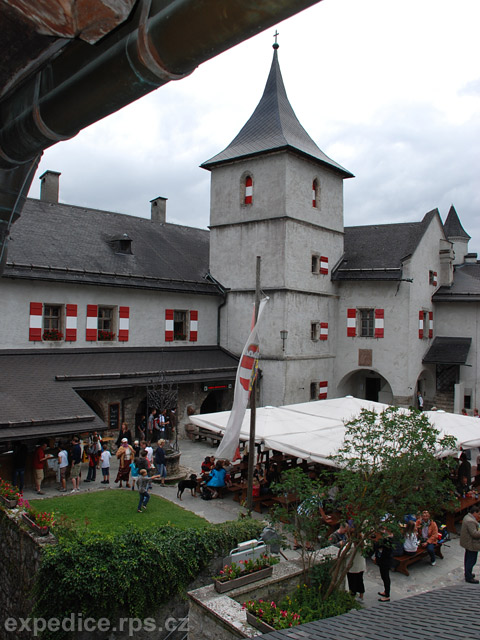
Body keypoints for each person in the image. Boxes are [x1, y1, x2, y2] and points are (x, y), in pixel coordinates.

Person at [460, 504, 480, 583]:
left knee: (468, 558)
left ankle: (468, 573)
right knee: (471, 560)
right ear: (474, 512)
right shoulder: (470, 521)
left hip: (468, 543)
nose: (479, 516)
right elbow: (474, 534)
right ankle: (468, 577)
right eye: (478, 514)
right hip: (471, 544)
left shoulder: (467, 517)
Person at [374, 529, 394, 602]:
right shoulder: (386, 539)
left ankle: (387, 595)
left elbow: (377, 545)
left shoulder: (388, 540)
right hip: (383, 560)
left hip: (385, 561)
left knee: (385, 577)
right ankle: (386, 591)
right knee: (384, 577)